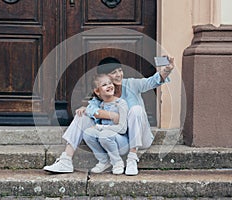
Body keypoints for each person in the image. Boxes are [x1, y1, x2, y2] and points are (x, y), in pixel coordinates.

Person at [43, 56, 174, 175]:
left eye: (120, 70)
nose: (118, 75)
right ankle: (66, 160)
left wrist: (167, 70)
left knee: (136, 110)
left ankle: (132, 159)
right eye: (113, 72)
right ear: (104, 77)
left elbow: (152, 82)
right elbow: (91, 109)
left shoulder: (131, 84)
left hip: (139, 138)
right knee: (81, 115)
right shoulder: (103, 91)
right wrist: (110, 115)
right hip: (117, 139)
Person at [83, 74, 129, 174]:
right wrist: (84, 109)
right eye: (104, 85)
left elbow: (123, 129)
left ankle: (117, 162)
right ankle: (104, 161)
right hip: (106, 139)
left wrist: (100, 127)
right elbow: (92, 110)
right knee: (88, 133)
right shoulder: (101, 105)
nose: (109, 86)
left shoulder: (121, 104)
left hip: (122, 143)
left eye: (110, 83)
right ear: (97, 91)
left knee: (104, 134)